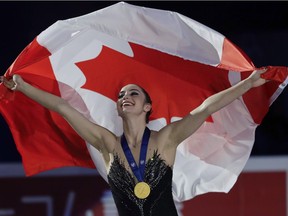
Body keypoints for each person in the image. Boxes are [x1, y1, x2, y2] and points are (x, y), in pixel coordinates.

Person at [0, 69, 267, 216]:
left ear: (147, 106)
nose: (124, 96)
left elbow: (205, 109)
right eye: (121, 95)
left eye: (133, 93)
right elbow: (63, 108)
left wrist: (248, 84)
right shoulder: (107, 145)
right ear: (117, 108)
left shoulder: (166, 139)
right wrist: (23, 87)